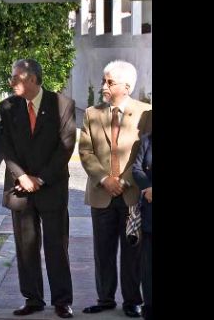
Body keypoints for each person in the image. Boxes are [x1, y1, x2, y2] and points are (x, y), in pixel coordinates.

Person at [0, 59, 76, 319]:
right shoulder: (7, 106)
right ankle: (32, 299)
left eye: (16, 78)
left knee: (57, 246)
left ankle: (62, 301)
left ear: (32, 79)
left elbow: (65, 147)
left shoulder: (62, 104)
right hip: (20, 188)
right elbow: (5, 146)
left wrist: (40, 179)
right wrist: (22, 176)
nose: (11, 82)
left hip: (51, 187)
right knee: (26, 247)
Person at [79, 60, 151, 318]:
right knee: (103, 251)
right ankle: (105, 298)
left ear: (127, 87)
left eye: (109, 82)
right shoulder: (92, 113)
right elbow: (85, 151)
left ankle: (132, 300)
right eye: (104, 81)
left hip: (132, 195)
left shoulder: (146, 113)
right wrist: (104, 179)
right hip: (101, 194)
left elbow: (146, 154)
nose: (104, 86)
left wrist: (124, 181)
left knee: (133, 251)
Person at [132, 131, 152, 320]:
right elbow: (137, 168)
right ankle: (149, 304)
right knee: (148, 265)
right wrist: (147, 187)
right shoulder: (147, 140)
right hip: (150, 212)